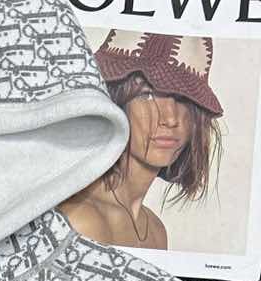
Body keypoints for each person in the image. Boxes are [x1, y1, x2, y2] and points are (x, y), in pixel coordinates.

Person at [59, 31, 225, 251]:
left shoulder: (156, 231)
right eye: (146, 94)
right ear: (114, 104)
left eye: (183, 99)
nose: (170, 118)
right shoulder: (81, 221)